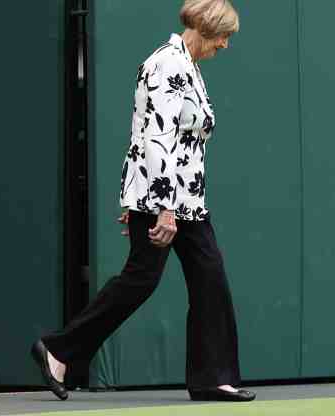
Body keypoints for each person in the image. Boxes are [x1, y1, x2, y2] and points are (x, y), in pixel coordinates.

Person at [31, 0, 254, 402]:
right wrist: (159, 206)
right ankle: (59, 351)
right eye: (223, 37)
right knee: (140, 281)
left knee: (210, 279)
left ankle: (212, 377)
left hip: (185, 200)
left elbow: (151, 134)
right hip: (168, 202)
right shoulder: (167, 65)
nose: (225, 45)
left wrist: (147, 196)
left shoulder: (188, 65)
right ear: (205, 28)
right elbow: (154, 138)